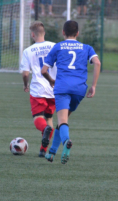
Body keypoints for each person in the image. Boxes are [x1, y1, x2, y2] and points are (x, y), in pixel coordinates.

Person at [41, 20, 101, 164]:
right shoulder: (87, 47)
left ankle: (67, 141)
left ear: (63, 32)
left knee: (62, 121)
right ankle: (52, 153)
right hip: (80, 89)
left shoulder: (58, 47)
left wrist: (50, 80)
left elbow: (43, 70)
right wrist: (94, 85)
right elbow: (97, 63)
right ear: (78, 33)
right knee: (63, 120)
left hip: (62, 87)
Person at [20, 21, 57, 157]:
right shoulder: (54, 46)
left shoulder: (28, 51)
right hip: (54, 88)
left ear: (32, 35)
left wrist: (25, 84)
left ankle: (45, 129)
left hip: (37, 90)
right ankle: (43, 150)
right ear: (44, 33)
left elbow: (25, 73)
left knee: (38, 118)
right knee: (49, 118)